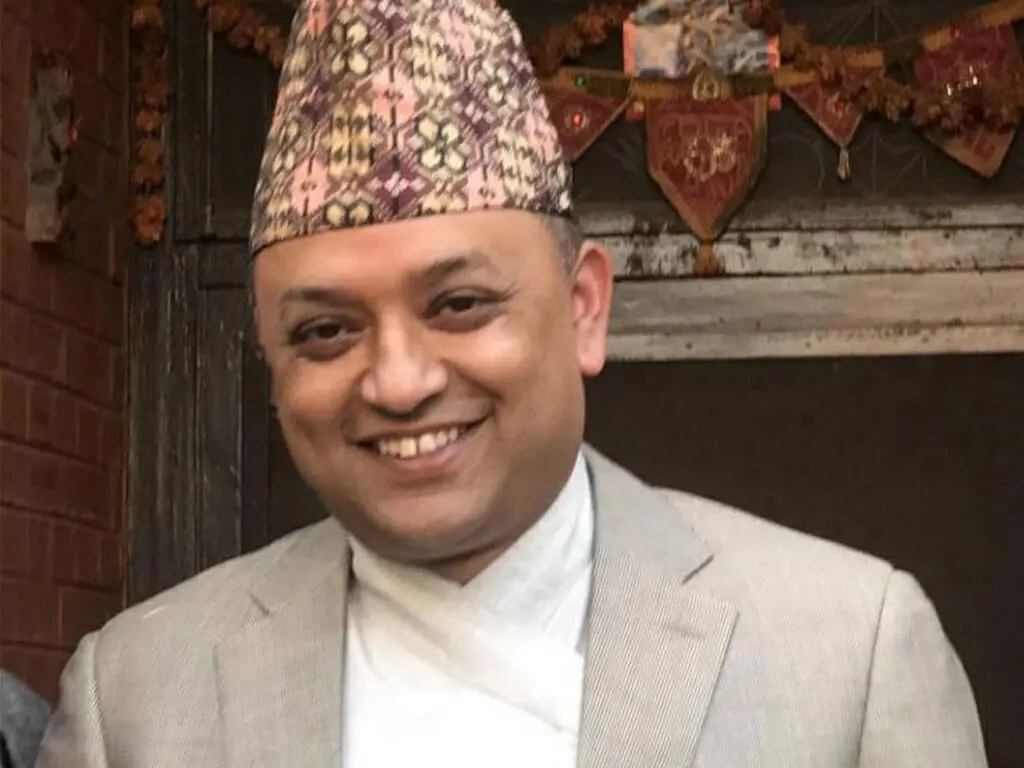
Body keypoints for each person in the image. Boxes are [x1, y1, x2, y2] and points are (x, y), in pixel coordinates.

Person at [36, 0, 988, 765]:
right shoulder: (137, 701)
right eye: (326, 331)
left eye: (459, 305)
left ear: (583, 309)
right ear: (270, 358)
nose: (399, 382)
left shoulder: (846, 655)